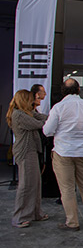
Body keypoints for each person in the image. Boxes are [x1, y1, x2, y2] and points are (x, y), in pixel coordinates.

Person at [43, 79, 83, 231]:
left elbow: (48, 131)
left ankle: (72, 222)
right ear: (78, 90)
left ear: (63, 91)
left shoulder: (58, 107)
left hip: (63, 152)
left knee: (67, 188)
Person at [7, 90, 49, 228]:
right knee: (26, 185)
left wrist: (47, 118)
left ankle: (35, 213)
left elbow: (43, 117)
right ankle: (20, 217)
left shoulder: (26, 113)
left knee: (35, 183)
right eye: (31, 99)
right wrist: (46, 120)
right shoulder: (19, 115)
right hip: (25, 152)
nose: (33, 101)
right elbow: (39, 123)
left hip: (31, 150)